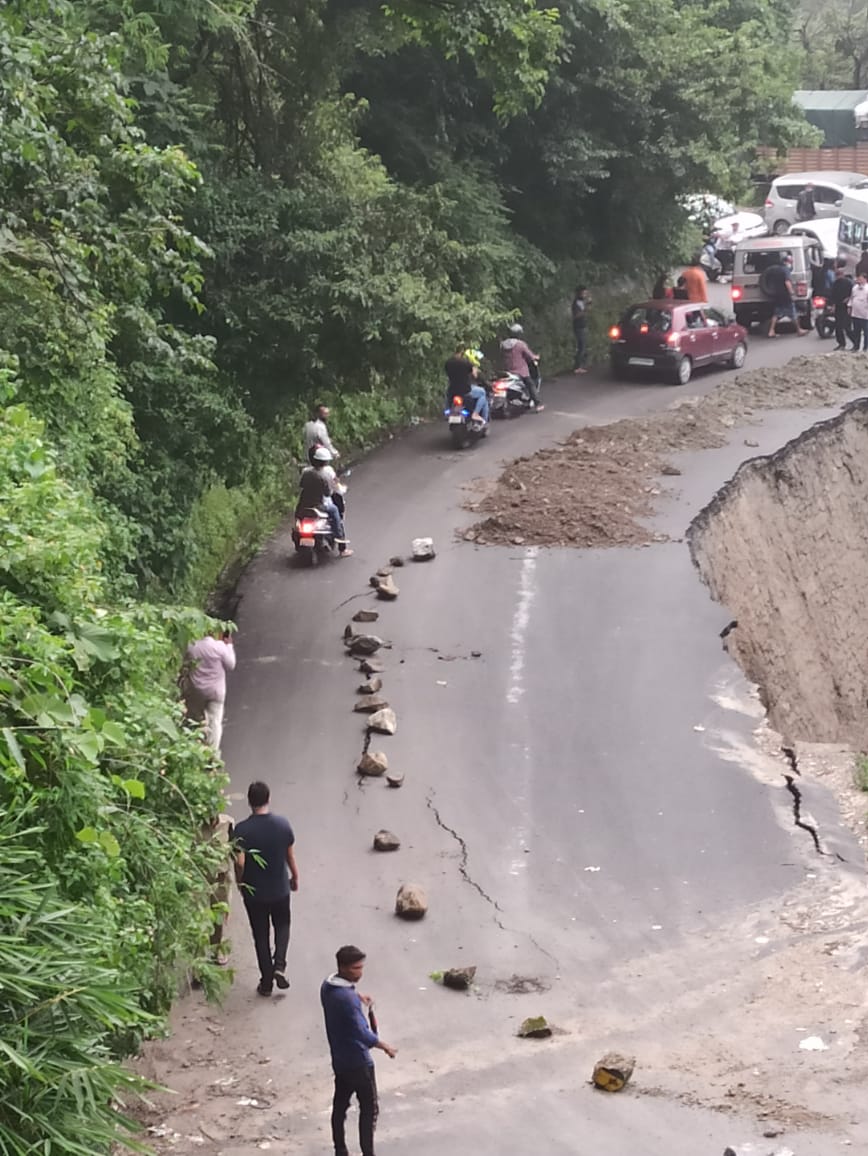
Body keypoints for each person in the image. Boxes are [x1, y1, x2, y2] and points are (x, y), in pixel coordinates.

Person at [321, 945, 397, 1156]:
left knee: (340, 1106)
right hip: (359, 1062)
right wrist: (385, 1047)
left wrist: (357, 997)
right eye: (356, 968)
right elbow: (363, 1034)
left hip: (340, 1060)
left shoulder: (328, 986)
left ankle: (340, 1149)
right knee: (369, 1109)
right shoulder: (346, 1000)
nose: (360, 972)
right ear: (343, 967)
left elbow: (346, 999)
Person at [233, 781, 299, 996]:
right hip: (280, 888)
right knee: (283, 926)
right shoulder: (282, 824)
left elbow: (240, 862)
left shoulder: (241, 830)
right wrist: (295, 877)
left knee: (261, 935)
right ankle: (280, 965)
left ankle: (267, 982)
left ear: (249, 801)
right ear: (268, 798)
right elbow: (290, 856)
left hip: (255, 893)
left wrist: (240, 882)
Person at [182, 629, 236, 752]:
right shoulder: (220, 647)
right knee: (215, 722)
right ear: (215, 633)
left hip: (196, 691)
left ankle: (196, 748)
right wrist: (229, 645)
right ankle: (212, 753)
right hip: (216, 692)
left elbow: (186, 664)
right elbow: (231, 665)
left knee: (195, 719)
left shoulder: (192, 646)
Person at [296, 448, 352, 556]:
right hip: (319, 505)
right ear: (325, 462)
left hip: (304, 504)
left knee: (298, 516)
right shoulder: (326, 474)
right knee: (335, 511)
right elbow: (328, 492)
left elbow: (301, 485)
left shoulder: (306, 472)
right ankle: (340, 541)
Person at [500, 324, 544, 411]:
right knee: (530, 385)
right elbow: (529, 355)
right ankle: (537, 404)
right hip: (520, 371)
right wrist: (536, 357)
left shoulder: (503, 344)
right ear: (519, 334)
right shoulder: (520, 344)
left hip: (507, 371)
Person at [444, 344, 489, 423]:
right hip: (465, 390)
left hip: (452, 390)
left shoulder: (448, 363)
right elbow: (475, 375)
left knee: (448, 396)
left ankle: (447, 412)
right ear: (461, 351)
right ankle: (475, 414)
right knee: (482, 393)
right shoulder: (465, 362)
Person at [766, 254, 806, 338]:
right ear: (786, 262)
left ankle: (771, 331)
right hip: (785, 294)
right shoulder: (785, 270)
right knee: (793, 313)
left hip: (777, 294)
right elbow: (787, 282)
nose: (790, 263)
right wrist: (791, 292)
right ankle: (799, 330)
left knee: (776, 313)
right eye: (790, 262)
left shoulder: (775, 270)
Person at [829, 261, 854, 350]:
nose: (838, 276)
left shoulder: (848, 283)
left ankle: (855, 343)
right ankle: (841, 344)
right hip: (839, 307)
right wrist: (833, 305)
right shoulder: (835, 284)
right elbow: (832, 295)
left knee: (848, 327)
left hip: (847, 307)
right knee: (838, 327)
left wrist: (849, 298)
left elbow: (853, 293)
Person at [571, 286, 590, 373]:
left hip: (583, 326)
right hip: (578, 327)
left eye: (586, 293)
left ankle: (581, 365)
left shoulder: (582, 302)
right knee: (581, 347)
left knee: (583, 346)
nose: (585, 295)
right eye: (583, 293)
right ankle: (577, 366)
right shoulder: (576, 303)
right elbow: (576, 316)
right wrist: (585, 311)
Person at [848, 272, 868, 351]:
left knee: (866, 332)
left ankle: (865, 347)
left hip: (865, 315)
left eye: (860, 279)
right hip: (855, 314)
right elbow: (851, 298)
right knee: (856, 331)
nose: (858, 280)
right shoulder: (854, 288)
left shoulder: (867, 289)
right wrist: (849, 307)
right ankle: (856, 346)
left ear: (865, 279)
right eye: (858, 279)